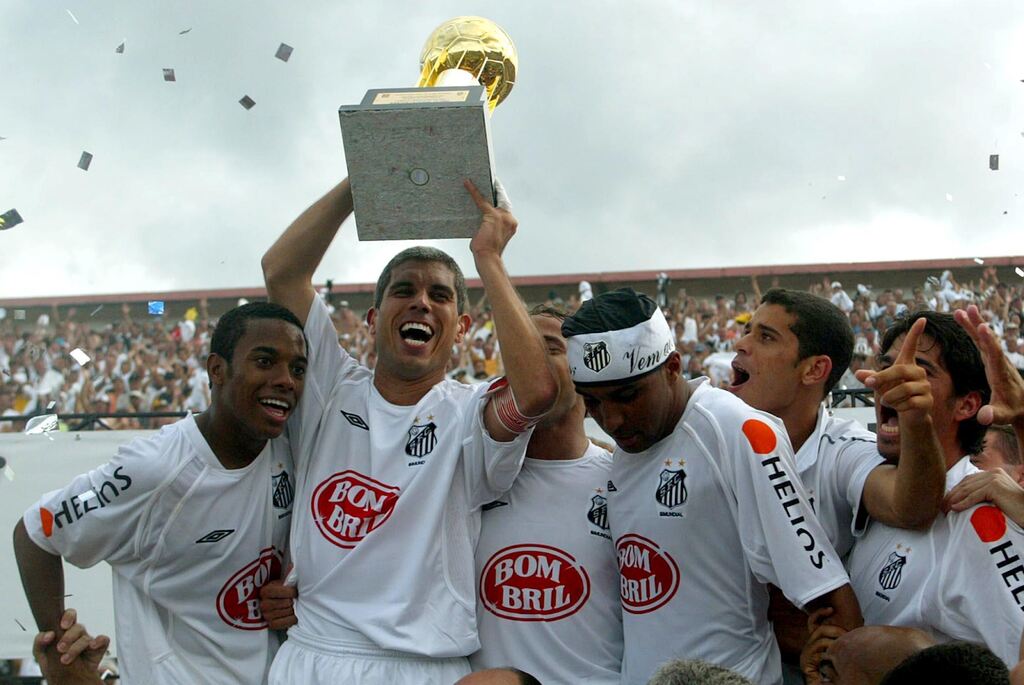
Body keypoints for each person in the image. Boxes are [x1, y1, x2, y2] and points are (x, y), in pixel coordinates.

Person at [260, 178, 557, 683]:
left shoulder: (470, 413)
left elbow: (535, 394)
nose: (421, 301)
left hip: (423, 667)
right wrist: (367, 173)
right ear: (375, 319)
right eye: (405, 290)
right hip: (312, 656)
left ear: (462, 328)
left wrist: (488, 257)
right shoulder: (328, 386)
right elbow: (282, 271)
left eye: (438, 295)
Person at [561, 288, 862, 685]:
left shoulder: (736, 432)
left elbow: (828, 595)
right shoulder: (629, 444)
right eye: (592, 404)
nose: (611, 420)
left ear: (672, 367)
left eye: (628, 396)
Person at [13, 302, 306, 684]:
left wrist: (295, 597)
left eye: (298, 368)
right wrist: (59, 655)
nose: (286, 379)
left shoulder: (288, 451)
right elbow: (37, 530)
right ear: (216, 370)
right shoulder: (154, 470)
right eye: (265, 362)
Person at [728, 289, 944, 674]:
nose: (740, 344)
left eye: (765, 337)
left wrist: (915, 418)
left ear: (814, 370)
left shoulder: (843, 449)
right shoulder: (706, 433)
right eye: (748, 332)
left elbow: (909, 507)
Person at [846, 309, 1024, 666]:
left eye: (918, 371)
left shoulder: (977, 517)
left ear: (967, 404)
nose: (890, 381)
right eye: (888, 366)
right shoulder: (863, 473)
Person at [469, 305, 622, 683]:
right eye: (520, 349)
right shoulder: (468, 480)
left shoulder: (626, 483)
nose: (530, 362)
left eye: (549, 348)